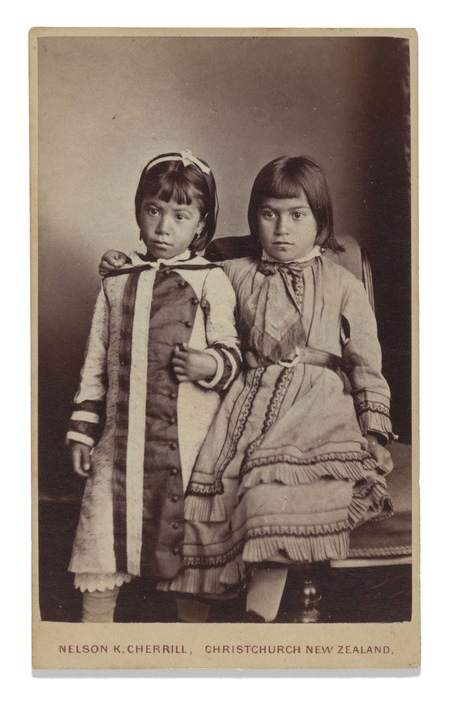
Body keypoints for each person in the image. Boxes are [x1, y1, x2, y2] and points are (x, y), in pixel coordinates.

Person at [99, 155, 394, 622]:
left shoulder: (343, 284)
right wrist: (125, 265)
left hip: (314, 409)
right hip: (243, 405)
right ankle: (190, 634)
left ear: (320, 221)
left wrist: (375, 433)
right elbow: (176, 267)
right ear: (253, 218)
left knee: (269, 499)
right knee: (200, 507)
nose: (281, 229)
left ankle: (260, 624)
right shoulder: (231, 271)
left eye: (297, 215)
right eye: (268, 214)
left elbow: (366, 365)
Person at [67, 150, 241, 623]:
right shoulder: (117, 282)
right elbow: (95, 360)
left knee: (190, 555)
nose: (164, 227)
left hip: (189, 442)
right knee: (103, 542)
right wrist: (83, 430)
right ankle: (91, 646)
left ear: (200, 224)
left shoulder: (211, 281)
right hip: (121, 444)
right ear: (140, 211)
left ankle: (191, 651)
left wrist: (210, 364)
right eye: (154, 210)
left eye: (180, 216)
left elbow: (232, 350)